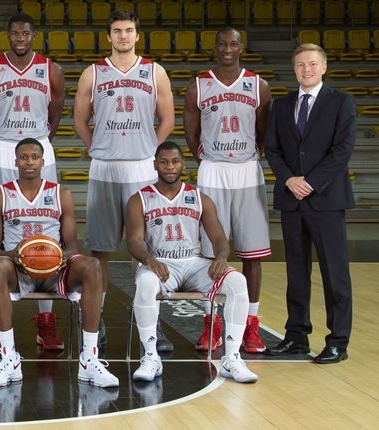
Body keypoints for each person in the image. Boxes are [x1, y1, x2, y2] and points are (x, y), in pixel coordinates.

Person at [73, 9, 175, 350]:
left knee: (143, 249)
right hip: (104, 166)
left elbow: (168, 119)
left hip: (141, 168)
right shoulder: (93, 73)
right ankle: (96, 319)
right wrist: (96, 147)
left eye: (129, 30)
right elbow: (79, 119)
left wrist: (148, 149)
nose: (123, 36)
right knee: (100, 249)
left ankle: (151, 322)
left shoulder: (154, 71)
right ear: (109, 36)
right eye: (117, 31)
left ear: (137, 34)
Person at [0, 138, 118, 389]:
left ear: (43, 161)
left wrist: (60, 257)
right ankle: (9, 358)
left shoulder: (60, 194)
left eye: (35, 157)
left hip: (56, 270)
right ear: (15, 161)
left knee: (93, 266)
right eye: (24, 157)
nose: (29, 162)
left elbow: (72, 246)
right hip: (18, 269)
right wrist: (16, 254)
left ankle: (89, 359)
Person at [0, 13, 67, 352]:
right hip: (1, 147)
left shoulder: (51, 69)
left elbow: (56, 111)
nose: (20, 38)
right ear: (8, 35)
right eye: (15, 33)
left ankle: (46, 320)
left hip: (38, 145)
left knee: (47, 230)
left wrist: (40, 144)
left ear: (33, 35)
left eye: (25, 33)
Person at [126, 141, 257, 384]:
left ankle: (231, 358)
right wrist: (149, 259)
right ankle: (151, 356)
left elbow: (219, 238)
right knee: (145, 284)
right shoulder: (139, 199)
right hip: (161, 265)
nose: (170, 166)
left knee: (238, 281)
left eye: (175, 161)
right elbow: (133, 240)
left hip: (194, 264)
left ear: (183, 164)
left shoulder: (199, 198)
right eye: (164, 162)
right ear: (155, 165)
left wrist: (221, 257)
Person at [265, 43, 356, 364]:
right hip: (292, 199)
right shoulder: (281, 105)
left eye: (313, 64)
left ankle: (338, 341)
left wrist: (311, 182)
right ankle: (296, 336)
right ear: (294, 69)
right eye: (301, 65)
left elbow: (342, 150)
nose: (307, 69)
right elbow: (272, 149)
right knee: (296, 272)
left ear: (324, 67)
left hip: (326, 199)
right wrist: (290, 179)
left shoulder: (342, 102)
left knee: (335, 272)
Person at [183, 28, 272, 354]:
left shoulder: (258, 85)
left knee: (252, 254)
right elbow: (191, 132)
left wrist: (248, 153)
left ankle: (250, 325)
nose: (228, 48)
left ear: (242, 47)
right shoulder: (198, 86)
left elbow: (264, 131)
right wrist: (206, 158)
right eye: (222, 43)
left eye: (234, 43)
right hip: (212, 171)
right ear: (215, 47)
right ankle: (212, 322)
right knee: (210, 253)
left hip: (247, 171)